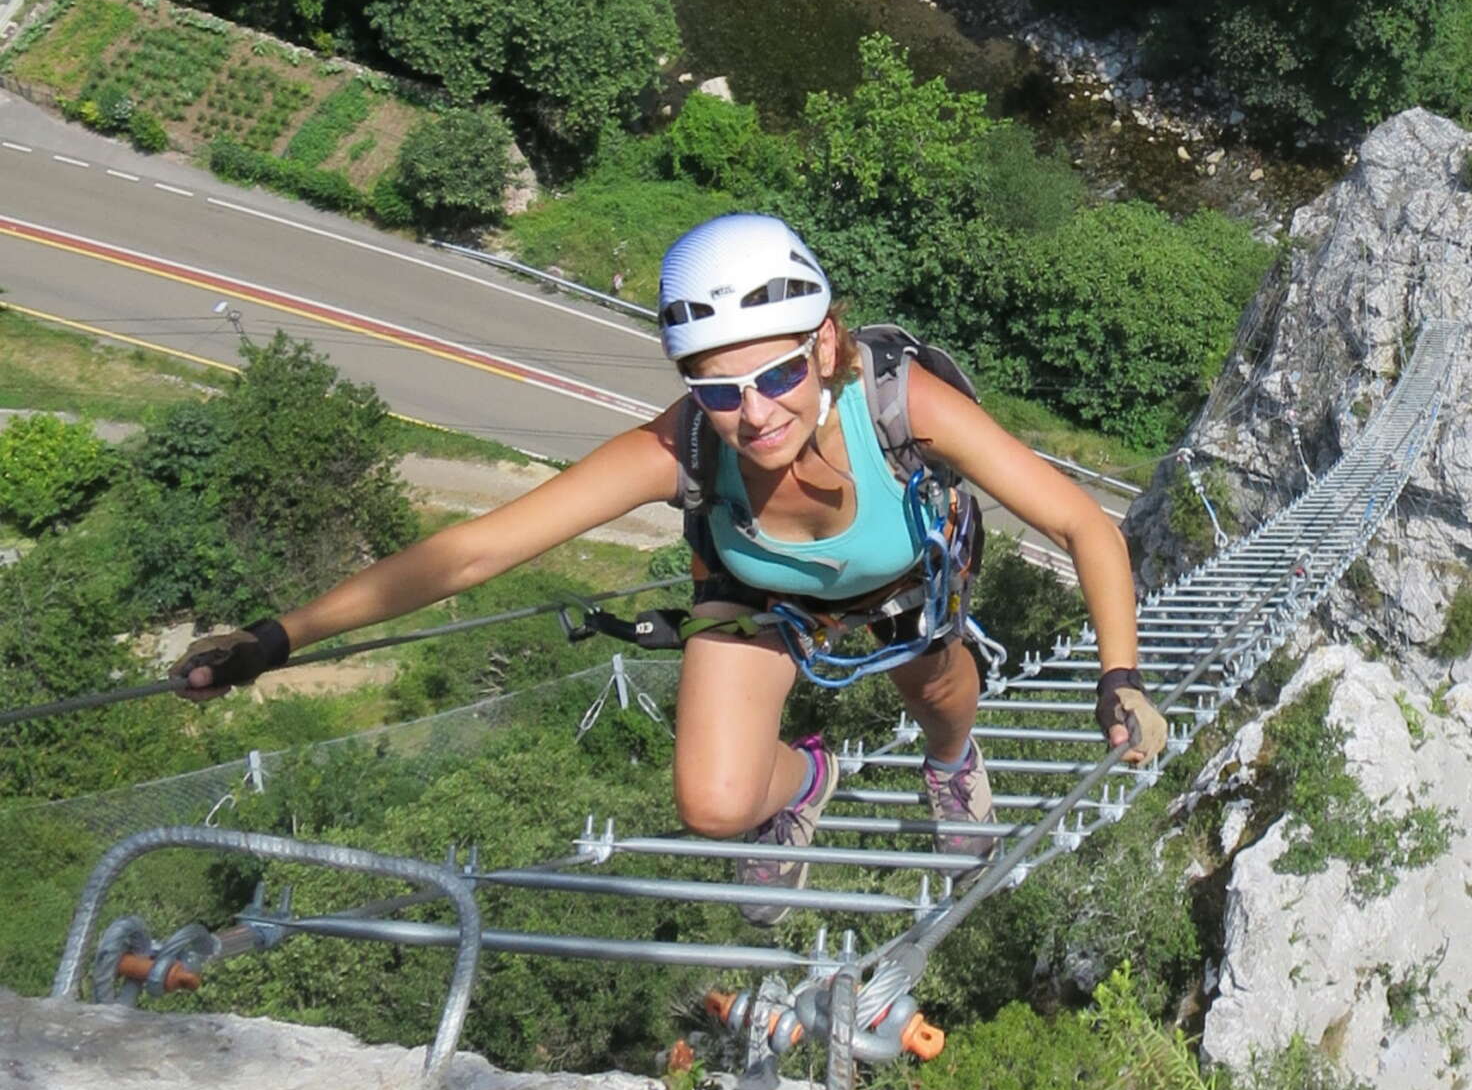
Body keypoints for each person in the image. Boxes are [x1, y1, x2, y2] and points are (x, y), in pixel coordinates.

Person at [172, 213, 1165, 923]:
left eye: (778, 373)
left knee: (944, 700)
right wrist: (279, 637)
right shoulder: (680, 447)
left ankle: (949, 769)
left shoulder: (900, 408)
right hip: (756, 591)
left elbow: (1085, 524)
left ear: (825, 345)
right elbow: (473, 549)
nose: (756, 411)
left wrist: (1118, 678)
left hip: (903, 579)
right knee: (716, 804)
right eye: (718, 387)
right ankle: (803, 782)